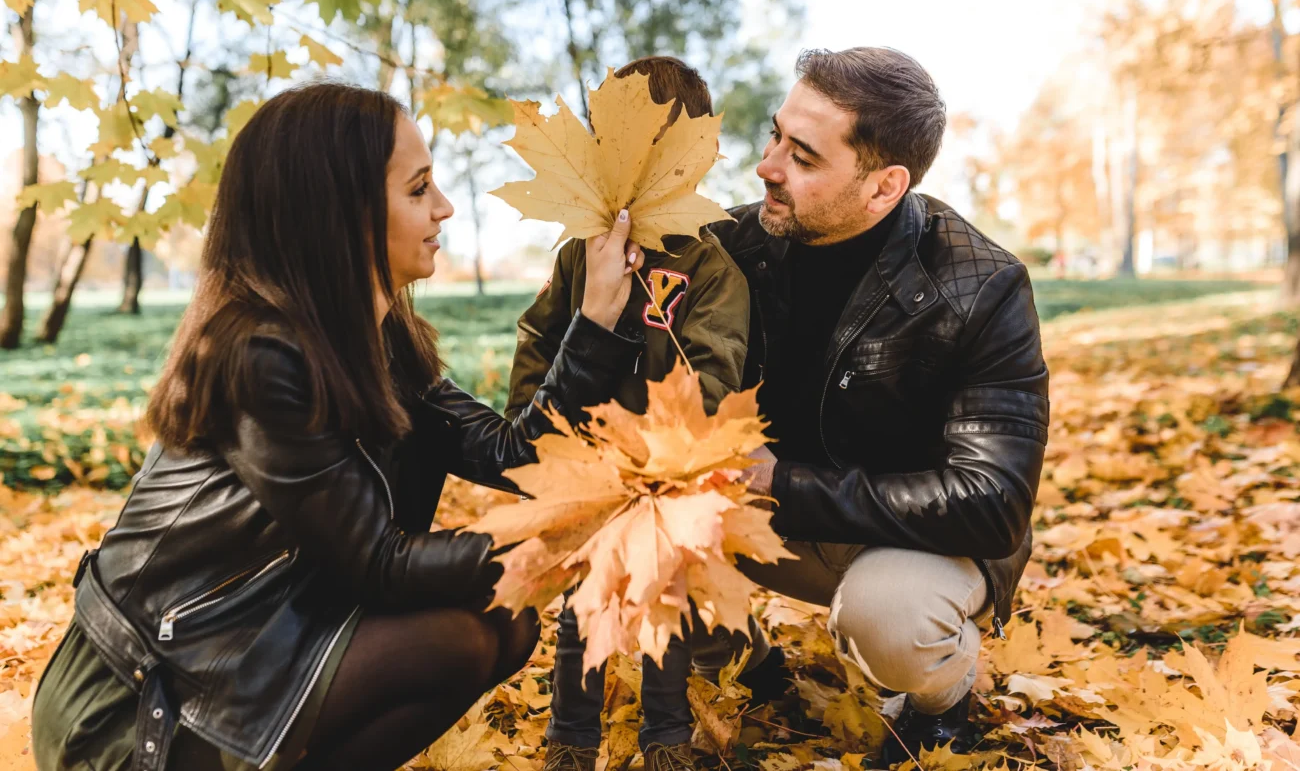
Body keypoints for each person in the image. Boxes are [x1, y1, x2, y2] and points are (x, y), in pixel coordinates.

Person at [30, 82, 647, 771]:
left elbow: (514, 452)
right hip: (141, 701)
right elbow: (378, 563)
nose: (443, 207)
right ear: (343, 214)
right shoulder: (256, 355)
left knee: (504, 622)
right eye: (418, 190)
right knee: (467, 635)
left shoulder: (377, 338)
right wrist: (550, 544)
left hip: (257, 647)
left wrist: (594, 322)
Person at [704, 47, 1050, 763]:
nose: (767, 166)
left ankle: (941, 697)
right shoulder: (727, 245)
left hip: (910, 543)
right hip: (764, 517)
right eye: (775, 137)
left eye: (802, 156)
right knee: (628, 514)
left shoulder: (982, 286)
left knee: (888, 617)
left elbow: (993, 501)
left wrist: (783, 483)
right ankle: (751, 665)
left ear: (884, 187)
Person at [506, 56, 753, 771]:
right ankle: (571, 736)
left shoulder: (709, 269)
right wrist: (532, 422)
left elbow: (715, 365)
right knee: (587, 599)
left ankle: (667, 735)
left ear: (692, 164)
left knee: (660, 594)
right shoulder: (582, 256)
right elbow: (541, 334)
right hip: (587, 459)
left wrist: (669, 443)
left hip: (666, 472)